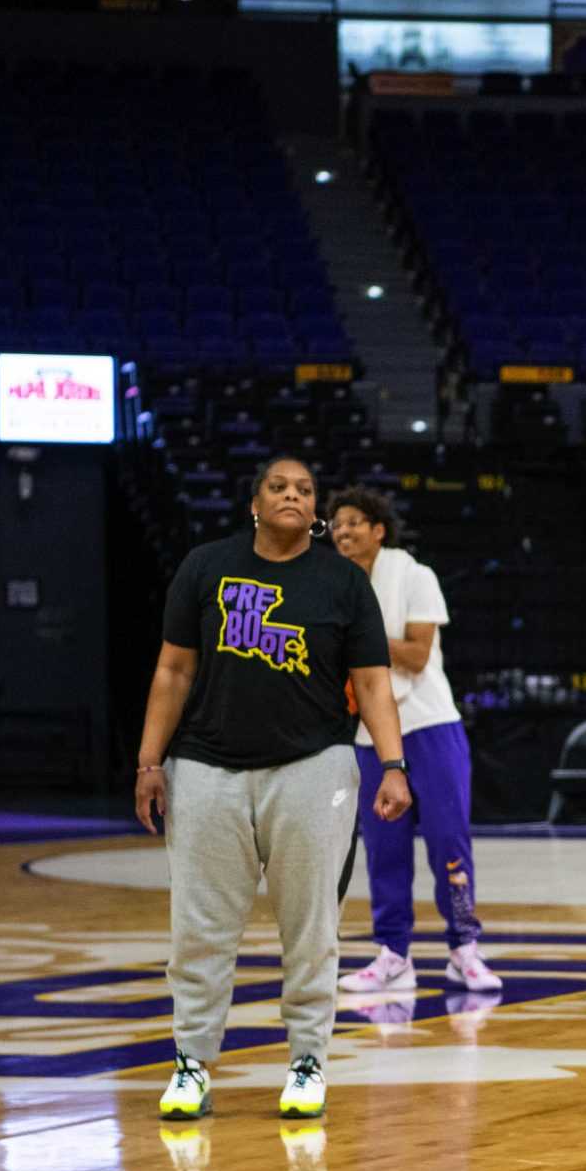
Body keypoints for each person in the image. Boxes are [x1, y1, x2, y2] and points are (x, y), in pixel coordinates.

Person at [136, 456, 413, 1124]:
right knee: (198, 927)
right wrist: (150, 762)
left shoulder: (343, 582)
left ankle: (307, 1060)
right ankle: (191, 1063)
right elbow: (173, 670)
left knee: (311, 925)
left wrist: (394, 763)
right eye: (278, 486)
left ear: (315, 511)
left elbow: (373, 681)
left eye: (304, 489)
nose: (292, 494)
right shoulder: (206, 567)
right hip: (205, 768)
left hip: (313, 768)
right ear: (254, 503)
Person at [326, 486, 501, 995]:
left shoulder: (414, 574)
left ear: (379, 530)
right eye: (337, 523)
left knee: (449, 839)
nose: (344, 530)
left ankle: (464, 948)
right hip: (368, 731)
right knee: (383, 847)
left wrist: (356, 638)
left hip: (428, 724)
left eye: (355, 521)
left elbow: (418, 654)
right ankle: (393, 954)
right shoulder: (332, 585)